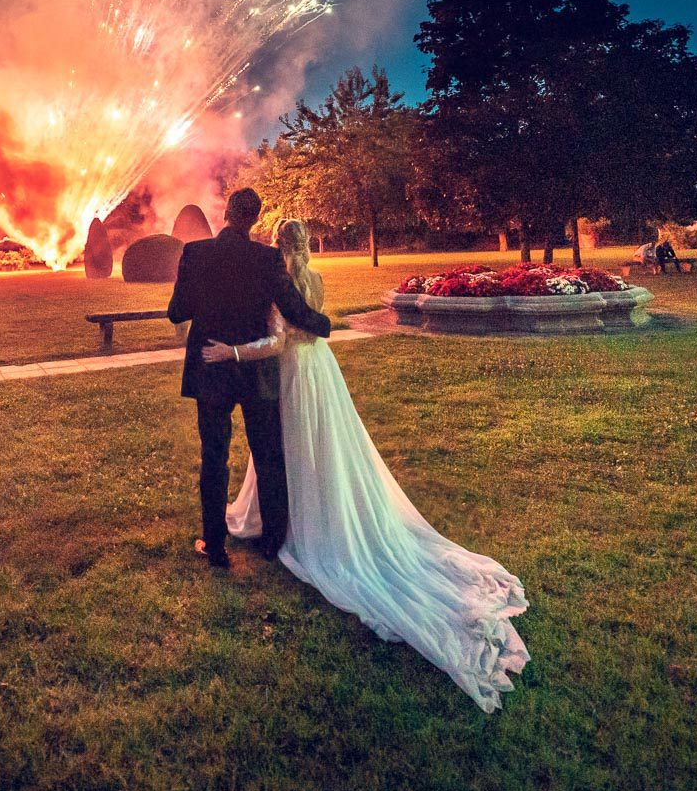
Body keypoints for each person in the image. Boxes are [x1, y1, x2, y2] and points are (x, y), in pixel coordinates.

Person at [212, 218, 530, 713]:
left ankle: (298, 523)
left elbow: (278, 342)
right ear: (307, 246)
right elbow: (315, 327)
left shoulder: (281, 284)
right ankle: (307, 509)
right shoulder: (313, 279)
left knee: (290, 448)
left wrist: (230, 350)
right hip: (322, 371)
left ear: (278, 247)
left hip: (294, 374)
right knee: (325, 449)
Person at [166, 188, 333, 568]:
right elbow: (294, 308)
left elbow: (178, 312)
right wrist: (323, 325)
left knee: (214, 457)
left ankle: (214, 545)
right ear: (255, 219)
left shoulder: (195, 254)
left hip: (211, 369)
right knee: (268, 455)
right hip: (257, 373)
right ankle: (272, 542)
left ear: (226, 212)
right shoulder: (267, 258)